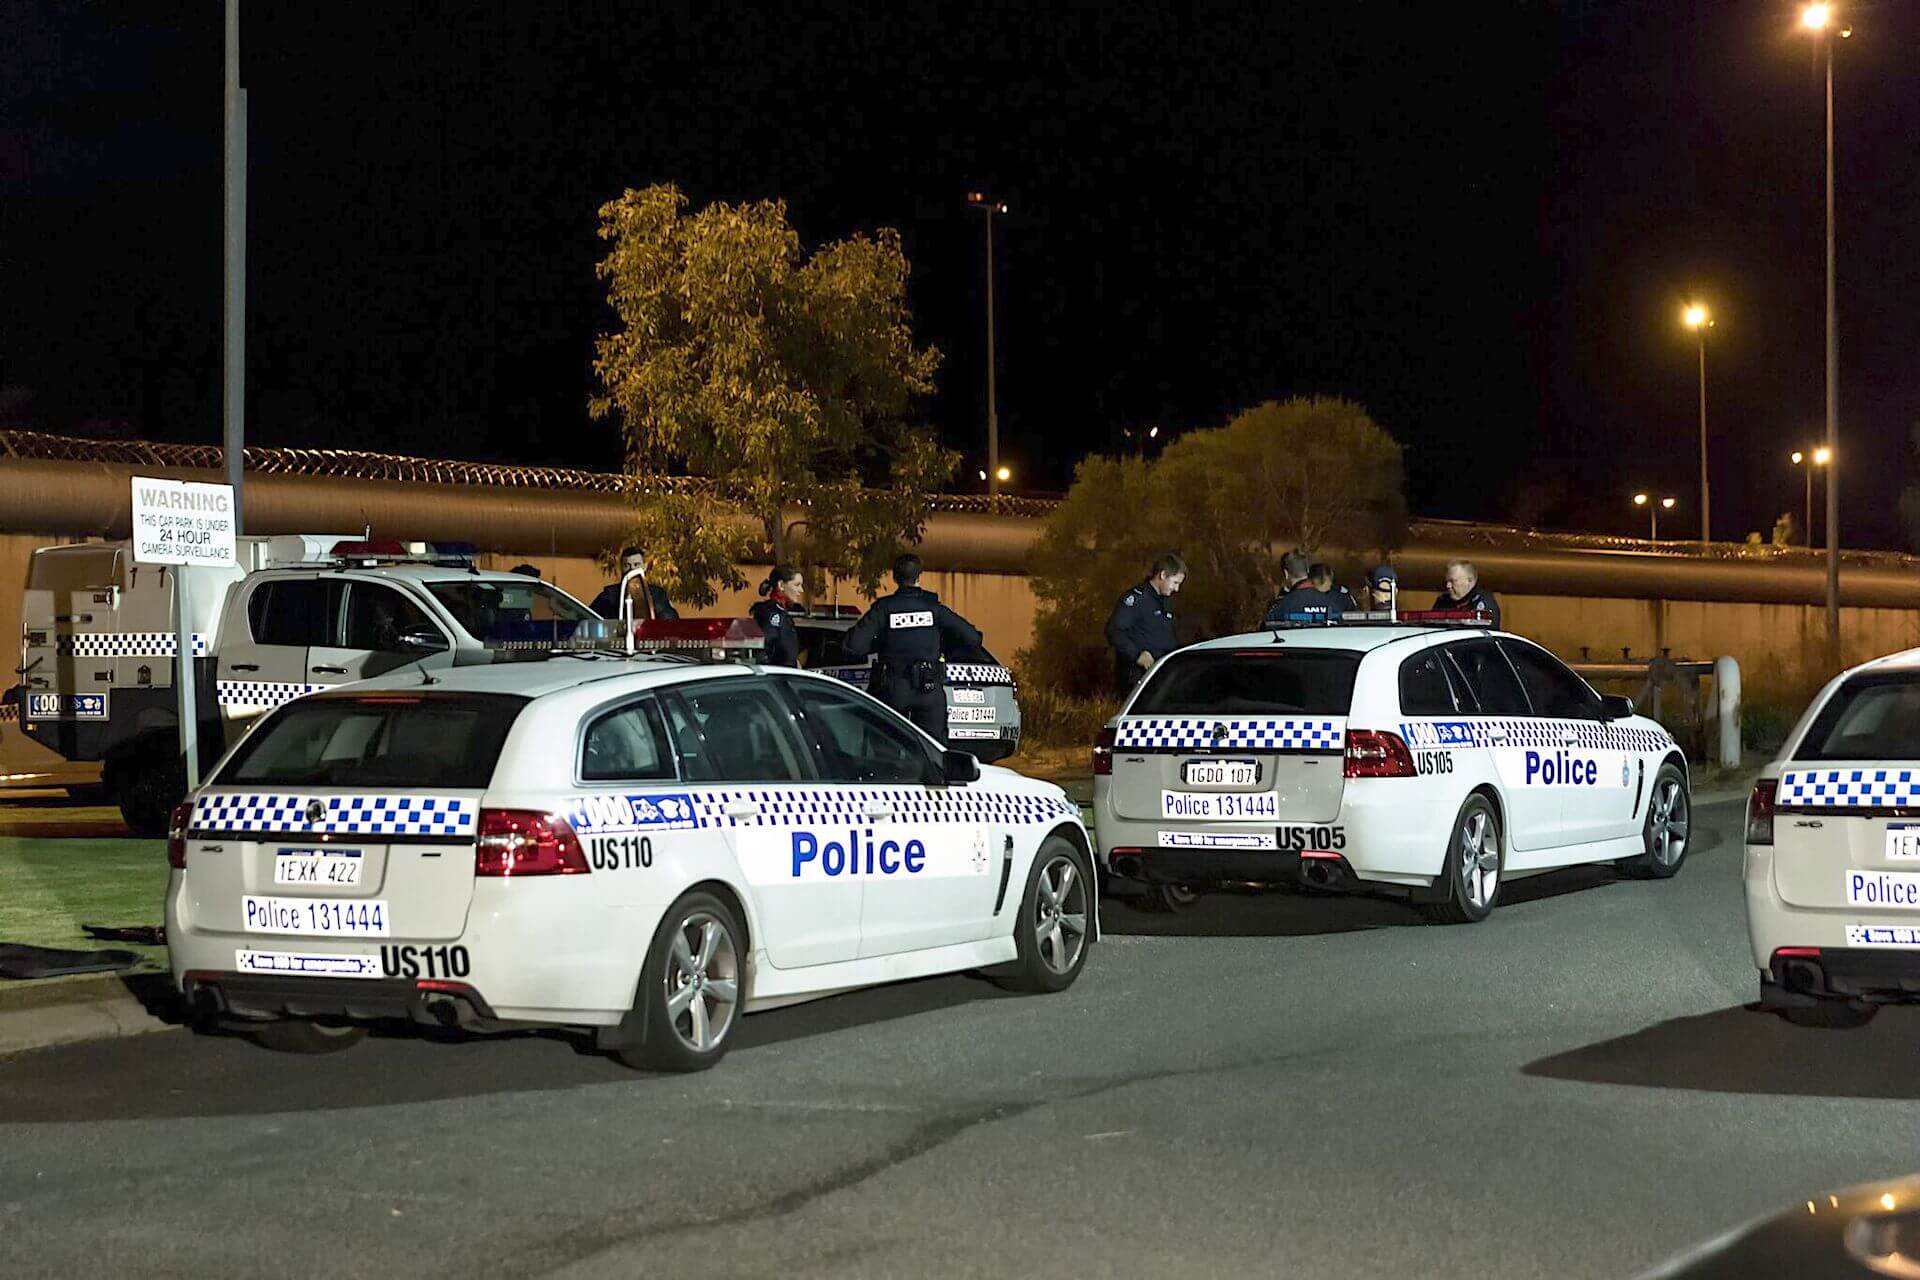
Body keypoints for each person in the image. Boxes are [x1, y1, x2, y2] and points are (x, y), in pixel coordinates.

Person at [843, 553, 983, 743]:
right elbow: (973, 638)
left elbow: (854, 646)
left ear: (894, 577)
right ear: (919, 576)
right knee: (933, 754)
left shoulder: (884, 609)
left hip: (892, 691)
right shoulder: (934, 609)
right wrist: (940, 645)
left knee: (885, 753)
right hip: (928, 690)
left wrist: (881, 642)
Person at [1105, 553, 1185, 695]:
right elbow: (1114, 631)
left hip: (1162, 678)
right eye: (1175, 583)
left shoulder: (1166, 601)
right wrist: (1137, 655)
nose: (1176, 589)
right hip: (1138, 679)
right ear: (1163, 575)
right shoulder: (1137, 599)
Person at [589, 545, 678, 621]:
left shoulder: (657, 594)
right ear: (621, 567)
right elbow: (590, 616)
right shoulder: (609, 595)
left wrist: (656, 605)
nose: (632, 569)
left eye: (636, 564)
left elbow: (671, 621)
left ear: (644, 566)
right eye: (627, 565)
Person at [1263, 549, 1346, 624]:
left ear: (1286, 574)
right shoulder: (1332, 604)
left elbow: (1267, 634)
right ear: (1308, 570)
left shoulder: (1282, 607)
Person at [749, 565, 804, 668]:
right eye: (797, 585)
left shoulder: (782, 613)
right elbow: (768, 652)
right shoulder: (772, 614)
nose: (801, 590)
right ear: (781, 585)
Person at [1432, 558, 1501, 628]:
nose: (1448, 586)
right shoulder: (1443, 601)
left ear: (1469, 581)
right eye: (1447, 581)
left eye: (1453, 581)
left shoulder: (1484, 603)